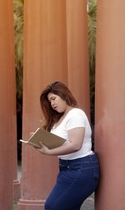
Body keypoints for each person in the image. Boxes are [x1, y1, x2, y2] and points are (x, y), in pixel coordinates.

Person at [36, 81, 99, 210]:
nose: (52, 103)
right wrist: (39, 139)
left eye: (54, 98)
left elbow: (75, 145)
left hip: (81, 168)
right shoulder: (59, 119)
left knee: (52, 206)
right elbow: (61, 142)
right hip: (66, 168)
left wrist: (48, 152)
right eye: (50, 101)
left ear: (63, 95)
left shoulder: (76, 114)